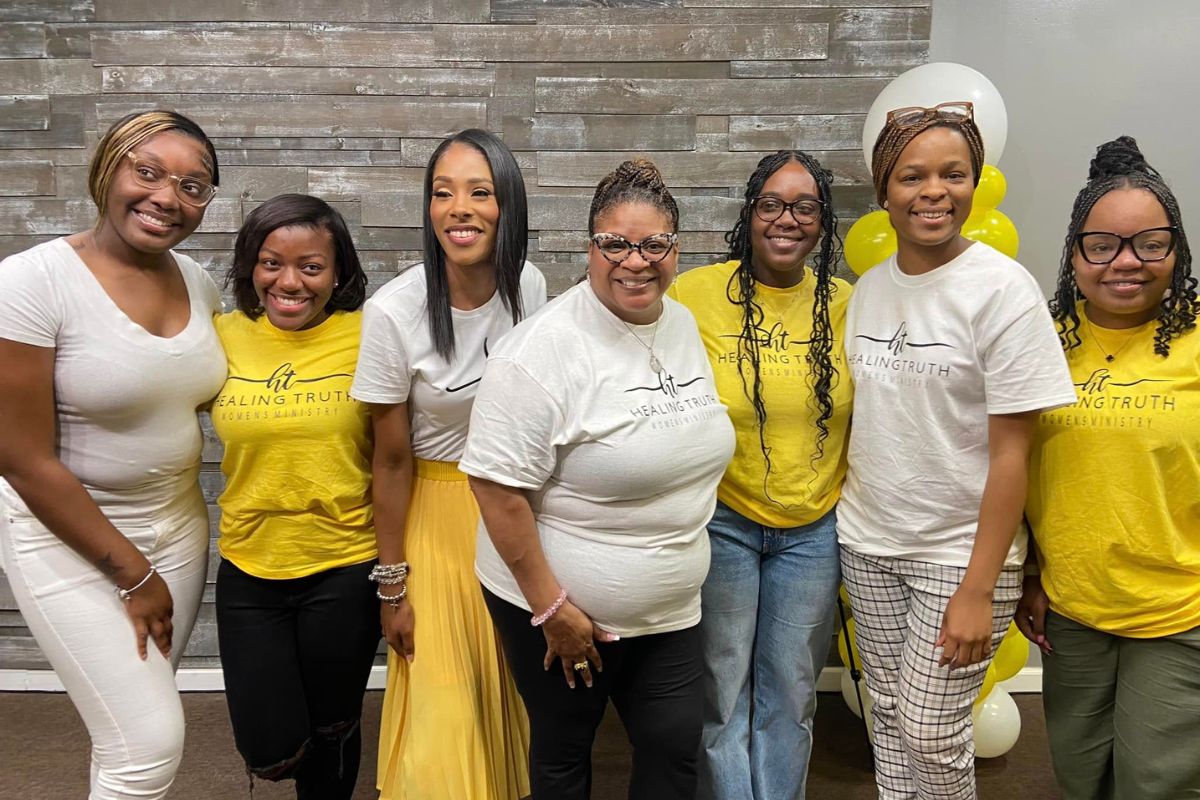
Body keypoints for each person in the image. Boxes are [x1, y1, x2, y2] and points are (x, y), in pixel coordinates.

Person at [464, 158, 737, 800]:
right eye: (615, 243)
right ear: (589, 248)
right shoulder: (540, 352)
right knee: (564, 754)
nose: (635, 261)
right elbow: (496, 489)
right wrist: (552, 609)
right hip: (560, 610)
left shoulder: (680, 324)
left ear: (676, 249)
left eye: (654, 244)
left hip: (670, 609)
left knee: (674, 751)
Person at [838, 102, 1076, 799]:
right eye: (912, 176)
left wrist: (980, 588)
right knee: (887, 716)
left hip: (961, 554)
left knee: (931, 731)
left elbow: (1013, 455)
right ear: (885, 192)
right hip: (871, 540)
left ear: (976, 182)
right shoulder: (871, 290)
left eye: (953, 173)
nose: (933, 191)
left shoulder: (1004, 291)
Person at [0, 110, 226, 799]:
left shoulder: (199, 283)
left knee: (124, 732)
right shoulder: (31, 282)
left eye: (193, 187)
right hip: (63, 537)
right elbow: (19, 457)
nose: (167, 198)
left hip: (180, 532)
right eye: (148, 172)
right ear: (108, 169)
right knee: (148, 744)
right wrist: (133, 574)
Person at [351, 128, 545, 800]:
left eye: (479, 191)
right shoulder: (391, 313)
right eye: (442, 193)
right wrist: (393, 585)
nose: (458, 207)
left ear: (507, 204)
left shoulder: (529, 284)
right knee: (447, 706)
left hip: (513, 511)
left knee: (509, 693)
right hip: (436, 517)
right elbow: (392, 461)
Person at [1019, 136, 1200, 800]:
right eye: (1103, 245)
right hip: (1073, 611)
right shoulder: (1043, 340)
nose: (1126, 262)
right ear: (1075, 254)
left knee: (1157, 786)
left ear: (1175, 250)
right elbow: (1025, 468)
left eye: (1149, 243)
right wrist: (1033, 574)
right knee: (1079, 774)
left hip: (1179, 617)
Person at [668, 150, 851, 799]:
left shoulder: (847, 305)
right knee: (721, 688)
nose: (787, 218)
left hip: (812, 533)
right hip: (723, 522)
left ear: (822, 223)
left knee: (790, 692)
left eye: (805, 206)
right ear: (749, 214)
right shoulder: (692, 295)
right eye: (771, 203)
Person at [212, 193, 378, 798]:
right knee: (269, 738)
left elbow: (395, 455)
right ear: (250, 267)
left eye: (310, 267)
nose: (289, 281)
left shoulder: (369, 334)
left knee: (333, 728)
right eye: (271, 263)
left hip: (343, 562)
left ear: (338, 275)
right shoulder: (222, 336)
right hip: (249, 563)